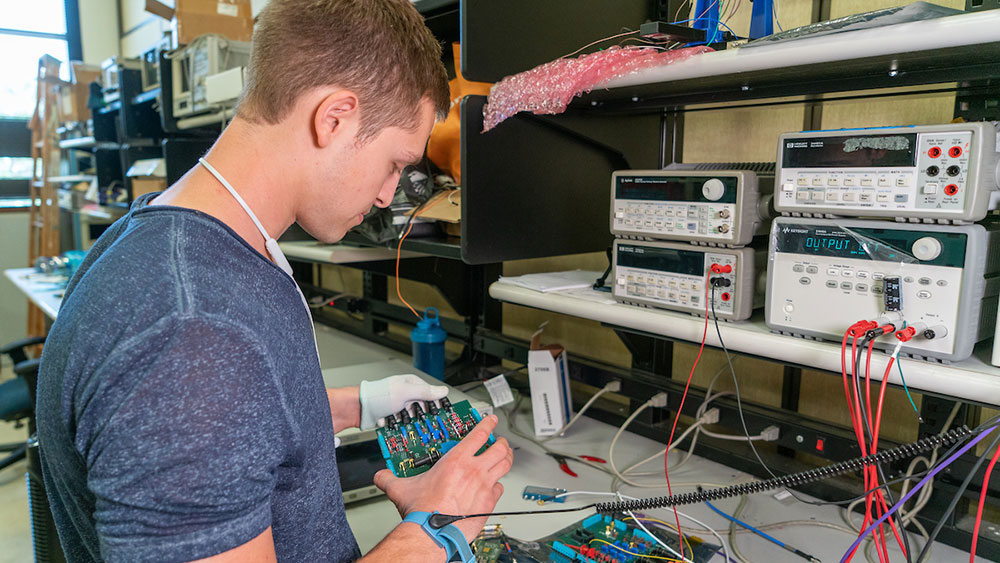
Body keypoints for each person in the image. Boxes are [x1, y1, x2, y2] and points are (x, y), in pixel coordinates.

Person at [35, 0, 514, 561]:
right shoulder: (193, 330)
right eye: (393, 163)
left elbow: (233, 421)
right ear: (334, 117)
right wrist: (433, 532)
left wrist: (356, 405)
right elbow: (201, 390)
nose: (389, 194)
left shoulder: (167, 240)